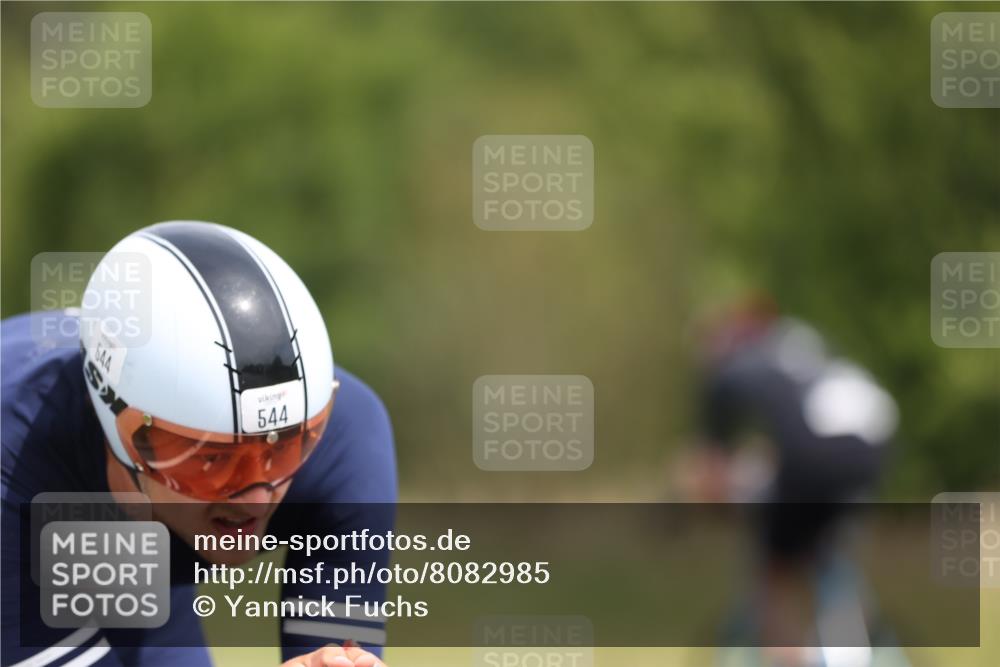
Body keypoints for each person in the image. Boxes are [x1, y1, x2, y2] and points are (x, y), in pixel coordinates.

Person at [1, 221, 397, 667]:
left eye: (283, 450)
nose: (256, 496)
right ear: (123, 430)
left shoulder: (346, 440)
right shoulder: (15, 465)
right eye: (211, 459)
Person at [684, 299, 902, 667]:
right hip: (875, 441)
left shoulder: (728, 372)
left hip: (813, 454)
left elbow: (711, 468)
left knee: (774, 571)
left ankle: (791, 657)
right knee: (831, 556)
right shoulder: (799, 344)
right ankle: (851, 654)